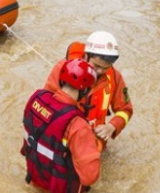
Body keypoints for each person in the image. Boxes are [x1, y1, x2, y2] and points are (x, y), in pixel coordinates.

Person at [22, 59, 101, 192]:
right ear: (85, 90)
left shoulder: (36, 98)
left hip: (36, 178)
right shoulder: (78, 124)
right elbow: (90, 176)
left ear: (61, 80)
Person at [44, 31, 133, 150]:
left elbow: (125, 110)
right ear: (86, 56)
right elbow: (45, 105)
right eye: (96, 66)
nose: (100, 71)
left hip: (95, 144)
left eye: (105, 68)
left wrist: (112, 126)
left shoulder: (115, 77)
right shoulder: (64, 69)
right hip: (65, 145)